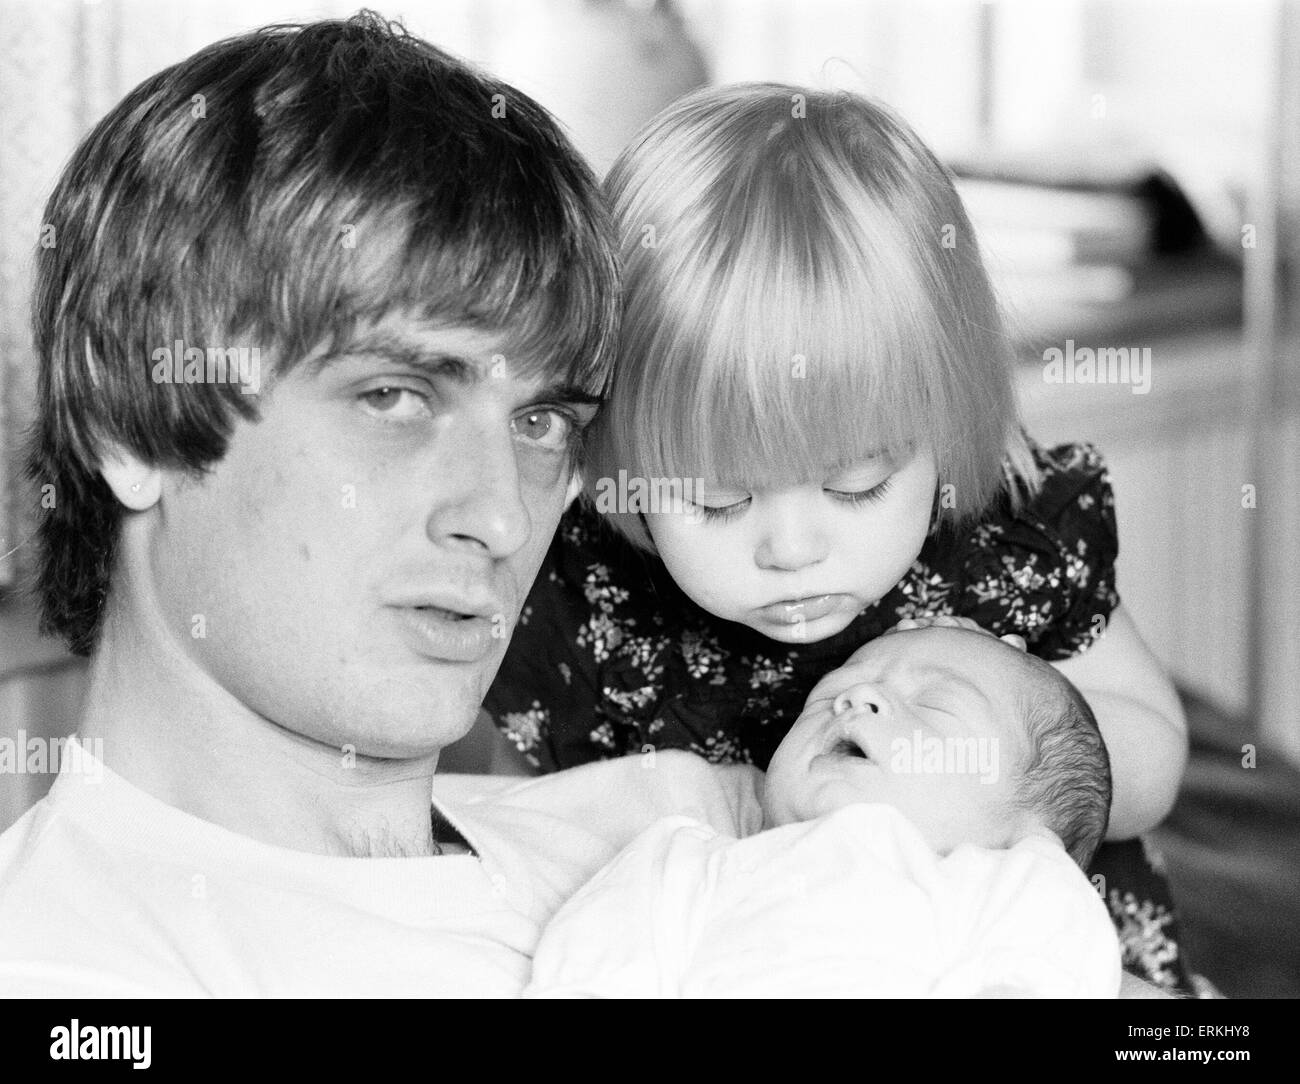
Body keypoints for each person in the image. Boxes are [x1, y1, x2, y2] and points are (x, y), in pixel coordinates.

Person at [0, 12, 703, 998]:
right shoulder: (64, 972)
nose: (500, 519)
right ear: (134, 425)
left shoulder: (679, 835)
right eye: (394, 398)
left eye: (542, 421)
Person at [484, 83, 1192, 990]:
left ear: (946, 424)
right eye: (717, 500)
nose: (791, 549)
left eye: (857, 484)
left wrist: (986, 757)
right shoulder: (588, 598)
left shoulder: (1004, 538)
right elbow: (522, 820)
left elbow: (1151, 747)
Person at [525, 623, 1121, 998]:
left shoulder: (1013, 883)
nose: (854, 697)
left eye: (936, 703)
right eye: (828, 695)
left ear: (1031, 832)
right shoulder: (684, 860)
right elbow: (591, 970)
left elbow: (1060, 976)